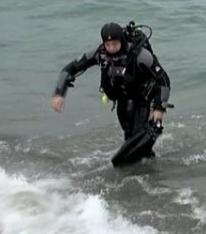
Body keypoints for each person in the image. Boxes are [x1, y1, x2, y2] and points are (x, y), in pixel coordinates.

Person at [50, 22, 171, 154]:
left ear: (122, 41)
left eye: (115, 44)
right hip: (122, 100)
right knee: (128, 134)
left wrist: (160, 108)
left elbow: (163, 79)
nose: (111, 48)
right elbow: (70, 69)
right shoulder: (99, 54)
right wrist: (59, 93)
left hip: (143, 97)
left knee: (136, 137)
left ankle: (145, 160)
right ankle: (140, 165)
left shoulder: (139, 55)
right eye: (108, 45)